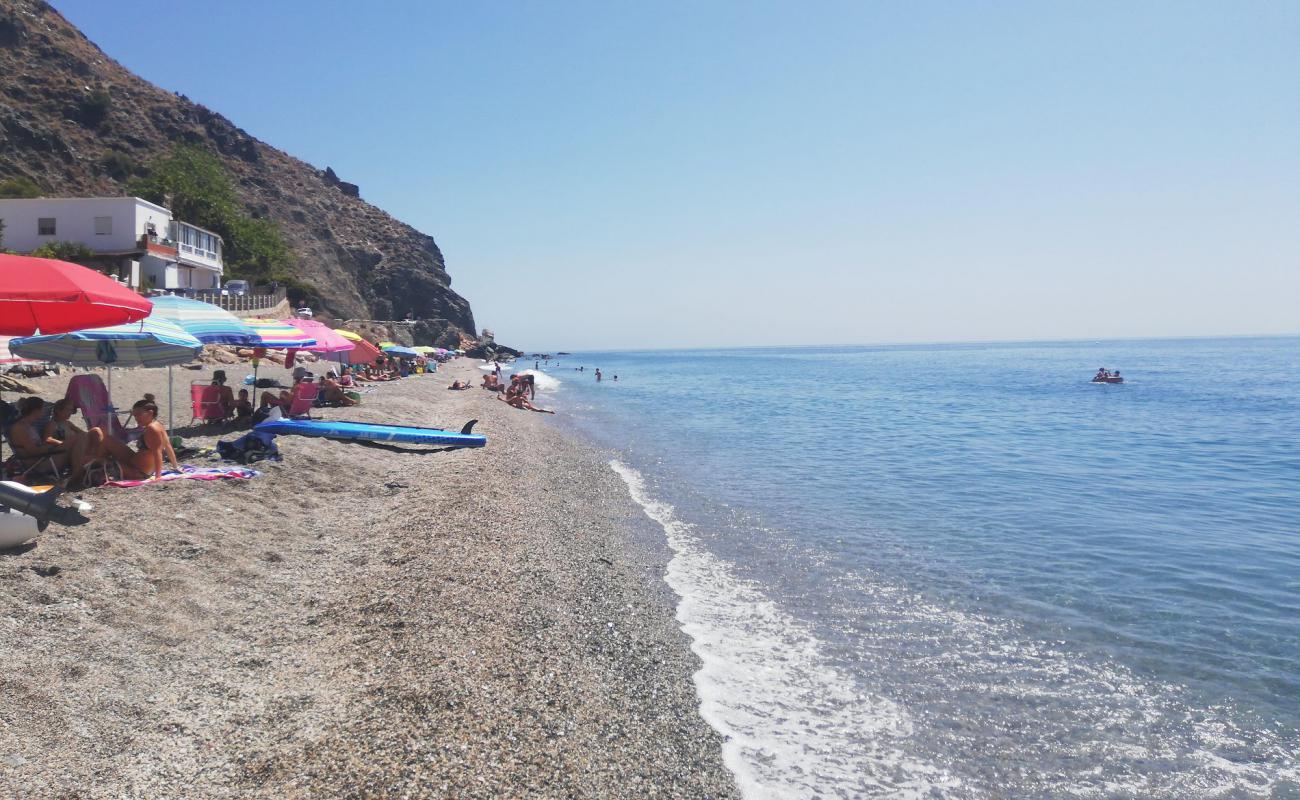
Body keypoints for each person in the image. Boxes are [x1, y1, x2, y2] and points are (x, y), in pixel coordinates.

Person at [84, 399, 179, 481]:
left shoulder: (152, 429)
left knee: (100, 460)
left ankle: (90, 462)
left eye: (139, 414)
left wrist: (158, 478)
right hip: (135, 461)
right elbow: (168, 446)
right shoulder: (158, 425)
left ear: (150, 413)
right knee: (104, 435)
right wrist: (176, 467)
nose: (136, 418)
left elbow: (158, 453)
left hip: (138, 471)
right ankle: (94, 458)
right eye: (134, 415)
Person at [8, 397, 70, 474]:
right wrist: (52, 448)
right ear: (36, 411)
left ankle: (81, 474)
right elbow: (33, 451)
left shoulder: (29, 425)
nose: (44, 411)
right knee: (74, 442)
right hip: (35, 464)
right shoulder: (19, 428)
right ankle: (77, 477)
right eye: (42, 408)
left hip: (41, 459)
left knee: (75, 442)